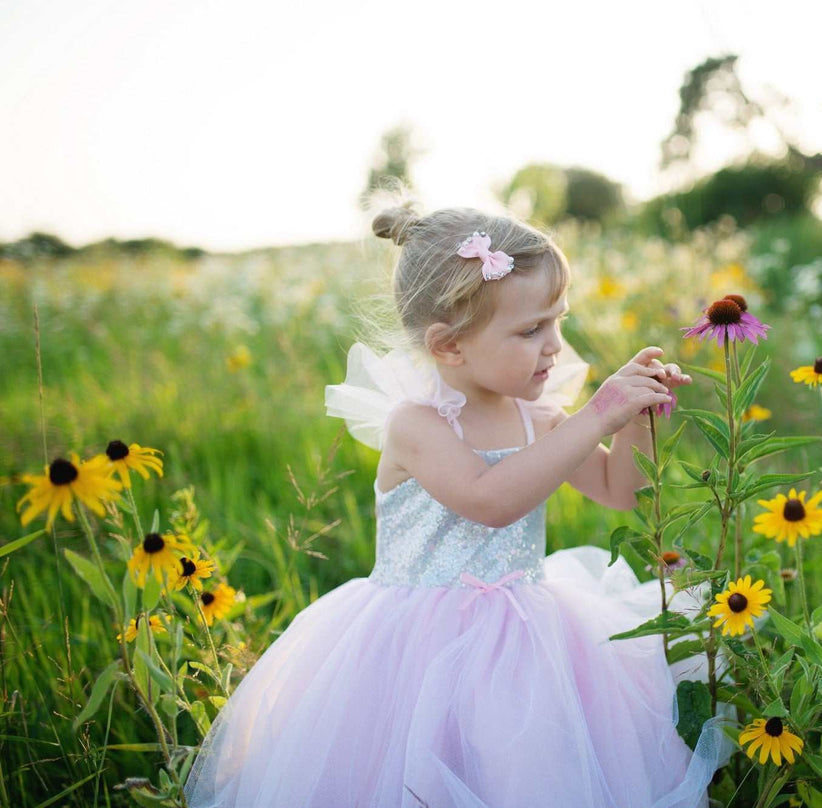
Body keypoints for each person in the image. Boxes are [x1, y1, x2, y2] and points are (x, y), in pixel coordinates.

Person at [182, 202, 731, 807]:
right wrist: (597, 414)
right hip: (415, 651)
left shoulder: (539, 417)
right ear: (448, 346)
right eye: (530, 330)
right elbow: (487, 500)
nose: (555, 346)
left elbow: (618, 490)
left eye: (558, 321)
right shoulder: (416, 425)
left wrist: (636, 418)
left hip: (533, 641)